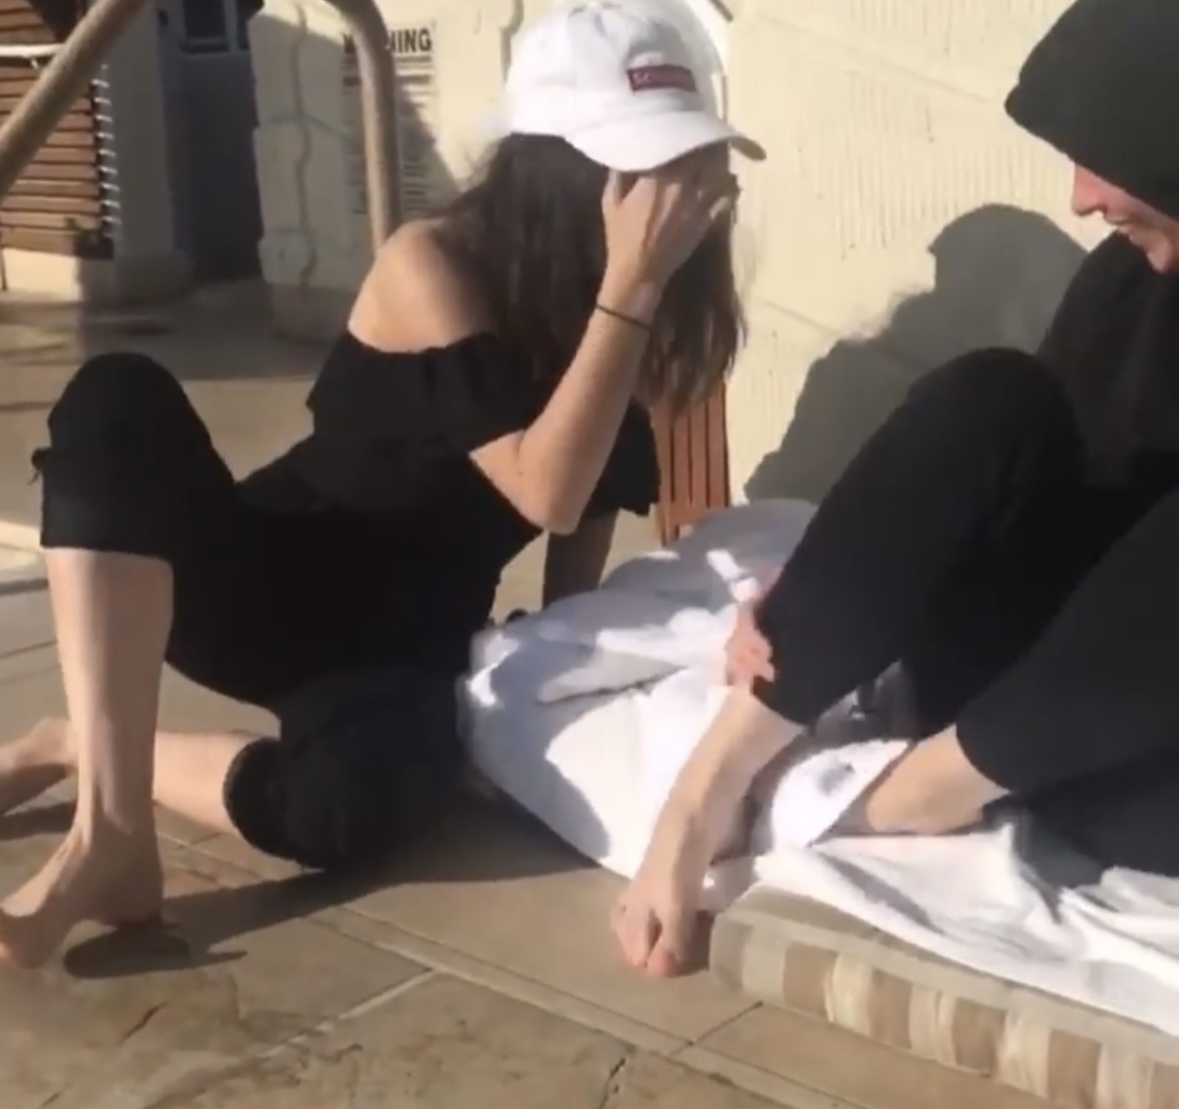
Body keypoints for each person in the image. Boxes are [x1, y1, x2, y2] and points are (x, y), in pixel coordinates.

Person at [0, 0, 762, 968]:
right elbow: (545, 490)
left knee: (351, 806)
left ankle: (77, 742)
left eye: (684, 171)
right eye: (646, 173)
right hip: (263, 583)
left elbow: (583, 522)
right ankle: (110, 830)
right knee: (116, 399)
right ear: (559, 166)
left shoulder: (607, 316)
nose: (671, 206)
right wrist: (634, 286)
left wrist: (551, 679)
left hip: (409, 647)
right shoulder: (432, 263)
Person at [613, 0, 1179, 978]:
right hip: (1035, 710)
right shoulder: (1135, 283)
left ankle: (899, 802)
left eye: (1113, 157)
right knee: (989, 395)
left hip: (1145, 771)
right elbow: (1026, 484)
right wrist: (830, 591)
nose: (1082, 198)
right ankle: (708, 788)